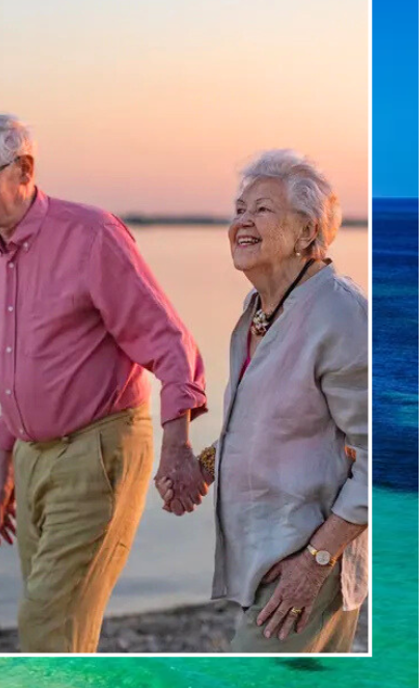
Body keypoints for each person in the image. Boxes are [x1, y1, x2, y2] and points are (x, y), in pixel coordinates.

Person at [0, 113, 209, 652]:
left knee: (49, 623)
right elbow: (10, 367)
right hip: (31, 455)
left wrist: (178, 444)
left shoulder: (92, 235)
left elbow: (169, 342)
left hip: (98, 449)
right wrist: (4, 469)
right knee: (57, 622)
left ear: (24, 168)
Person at [160, 150, 368, 652]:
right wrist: (203, 465)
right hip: (266, 558)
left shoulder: (338, 313)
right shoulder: (259, 309)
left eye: (262, 210)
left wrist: (314, 563)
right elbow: (272, 425)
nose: (241, 222)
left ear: (306, 233)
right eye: (239, 209)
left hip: (304, 564)